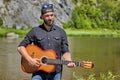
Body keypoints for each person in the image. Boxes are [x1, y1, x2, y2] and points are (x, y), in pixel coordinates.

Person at [17, 3, 75, 80]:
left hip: (56, 72)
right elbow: (20, 47)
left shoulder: (61, 32)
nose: (50, 18)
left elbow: (65, 50)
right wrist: (30, 60)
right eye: (47, 16)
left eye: (52, 15)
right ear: (41, 17)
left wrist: (69, 61)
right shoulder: (35, 31)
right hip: (38, 71)